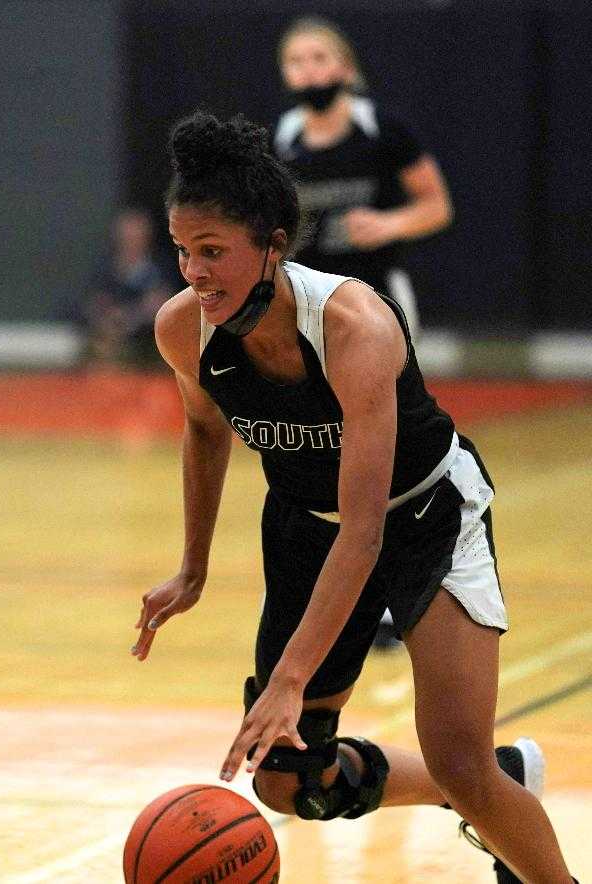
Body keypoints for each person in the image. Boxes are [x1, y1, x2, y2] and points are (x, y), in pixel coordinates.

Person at [131, 111, 576, 883]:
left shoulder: (354, 326)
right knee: (284, 782)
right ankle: (491, 786)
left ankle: (499, 809)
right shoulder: (184, 331)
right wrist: (192, 568)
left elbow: (366, 534)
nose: (193, 272)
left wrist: (289, 681)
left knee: (460, 760)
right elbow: (204, 432)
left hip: (424, 516)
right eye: (181, 252)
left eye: (212, 252)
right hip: (306, 525)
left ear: (273, 243)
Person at [274, 16, 454, 650]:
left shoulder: (381, 130)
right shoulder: (288, 137)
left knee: (389, 442)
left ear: (344, 66)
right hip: (311, 312)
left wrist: (390, 224)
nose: (308, 70)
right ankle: (350, 593)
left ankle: (411, 584)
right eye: (295, 61)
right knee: (331, 447)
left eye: (319, 57)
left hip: (379, 308)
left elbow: (437, 205)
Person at [73, 208, 173, 367]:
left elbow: (164, 305)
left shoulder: (163, 269)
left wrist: (134, 316)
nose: (131, 240)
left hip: (147, 348)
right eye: (127, 235)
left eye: (136, 235)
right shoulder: (103, 270)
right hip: (108, 341)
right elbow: (90, 304)